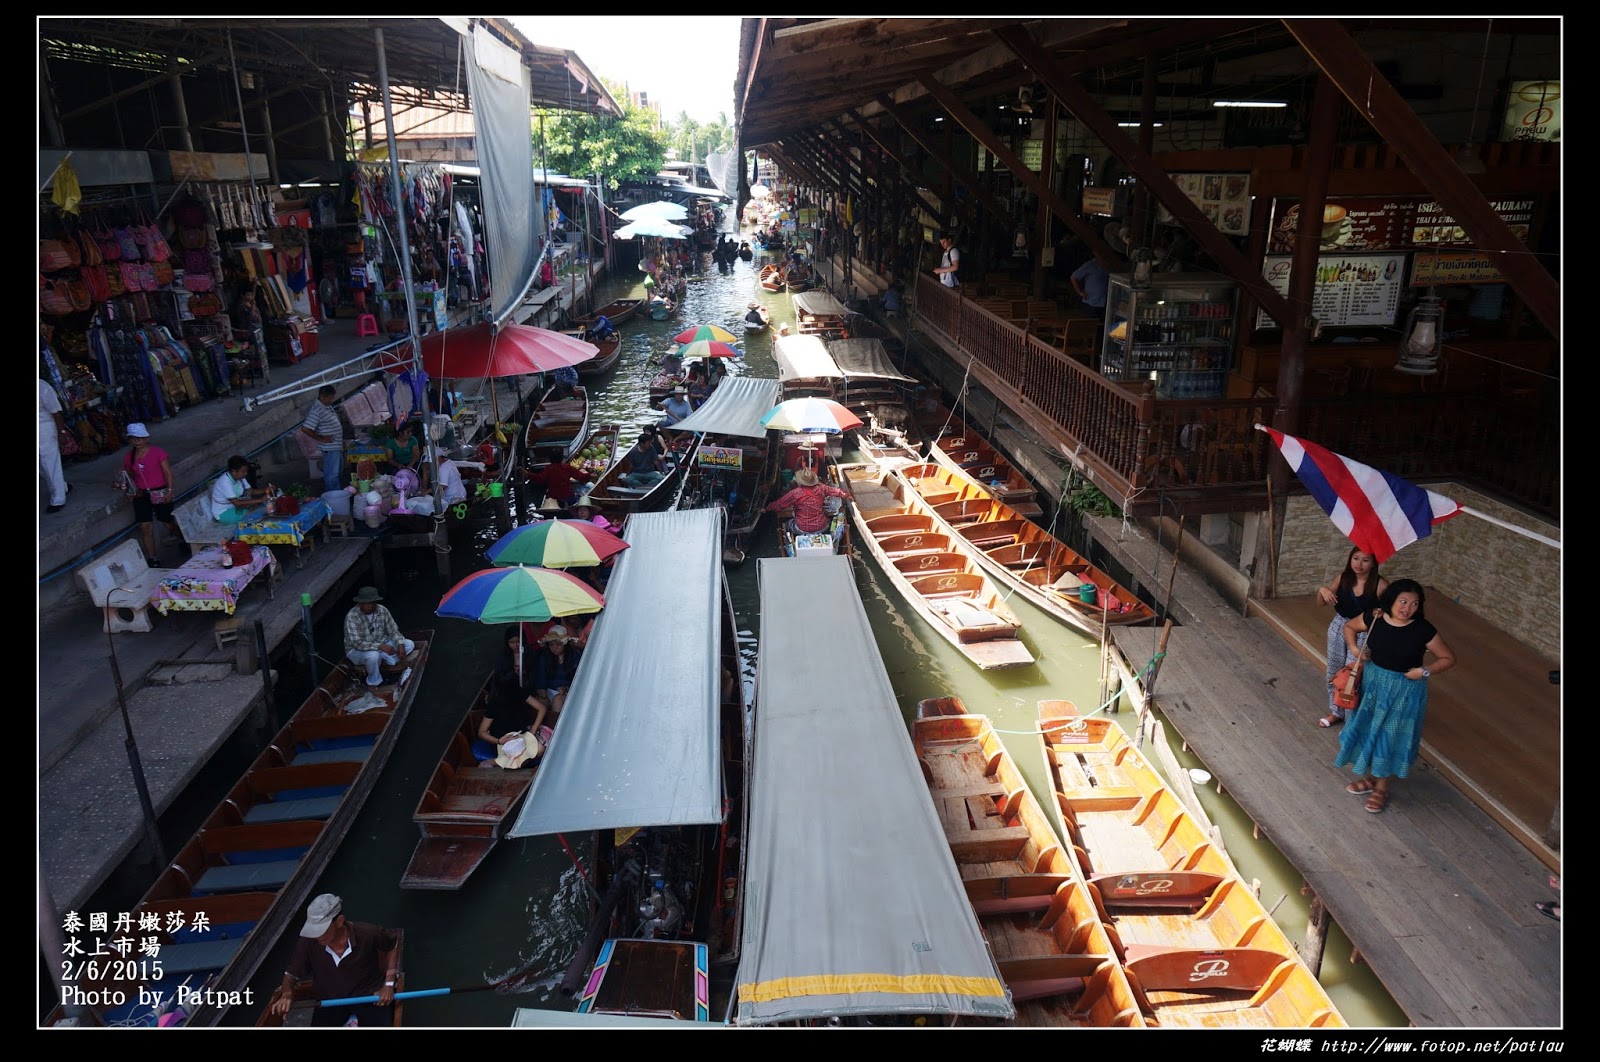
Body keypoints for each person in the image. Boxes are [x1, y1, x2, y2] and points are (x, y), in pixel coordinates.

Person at [1334, 579, 1456, 815]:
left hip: (1404, 690)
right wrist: (1356, 649)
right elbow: (1349, 627)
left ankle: (1381, 787)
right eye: (1403, 601)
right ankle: (1373, 778)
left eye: (1414, 604)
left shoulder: (1423, 629)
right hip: (1373, 684)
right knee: (1370, 729)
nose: (1407, 608)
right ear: (1391, 600)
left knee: (1389, 736)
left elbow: (1448, 658)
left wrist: (1424, 671)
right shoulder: (1375, 617)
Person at [271, 894, 399, 1027]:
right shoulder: (308, 941)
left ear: (339, 921)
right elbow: (291, 974)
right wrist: (287, 993)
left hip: (368, 996)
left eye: (322, 930)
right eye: (314, 930)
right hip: (329, 1001)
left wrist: (388, 983)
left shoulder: (367, 933)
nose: (318, 936)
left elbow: (392, 946)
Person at [1315, 546, 1389, 728]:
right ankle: (1336, 711)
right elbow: (1320, 603)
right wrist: (1323, 590)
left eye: (1365, 560)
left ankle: (1351, 721)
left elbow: (1390, 615)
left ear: (1373, 564)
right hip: (1339, 625)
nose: (1359, 564)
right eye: (1356, 558)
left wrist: (1381, 613)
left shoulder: (1381, 585)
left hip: (1364, 631)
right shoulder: (1343, 579)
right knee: (1334, 670)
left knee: (1354, 676)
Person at [478, 626, 551, 758]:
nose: (515, 645)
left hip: (519, 736)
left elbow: (542, 708)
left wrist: (532, 732)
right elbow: (482, 732)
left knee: (539, 750)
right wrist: (499, 741)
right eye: (512, 642)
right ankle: (494, 761)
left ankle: (498, 761)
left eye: (518, 641)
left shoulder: (519, 692)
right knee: (516, 754)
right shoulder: (496, 702)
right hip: (504, 741)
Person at [121, 423, 181, 565]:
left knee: (167, 522)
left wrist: (169, 491)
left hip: (159, 491)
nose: (137, 441)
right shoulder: (129, 457)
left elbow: (168, 473)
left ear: (146, 438)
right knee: (146, 527)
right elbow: (129, 476)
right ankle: (152, 558)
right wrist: (127, 488)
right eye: (134, 438)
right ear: (130, 440)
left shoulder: (158, 452)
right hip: (141, 495)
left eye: (140, 438)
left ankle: (181, 539)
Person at [343, 586, 416, 688]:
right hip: (357, 650)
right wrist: (380, 646)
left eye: (373, 602)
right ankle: (374, 681)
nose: (371, 606)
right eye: (367, 603)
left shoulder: (382, 610)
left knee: (409, 644)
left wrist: (400, 644)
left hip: (382, 643)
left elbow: (393, 631)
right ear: (360, 603)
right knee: (373, 656)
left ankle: (384, 659)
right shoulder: (352, 616)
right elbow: (357, 643)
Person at [766, 466, 851, 546]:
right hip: (822, 527)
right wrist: (847, 495)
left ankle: (790, 542)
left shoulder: (795, 493)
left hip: (801, 529)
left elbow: (779, 504)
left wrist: (767, 508)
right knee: (828, 521)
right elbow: (837, 491)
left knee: (787, 524)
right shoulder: (821, 488)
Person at [529, 625, 583, 717]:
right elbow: (540, 675)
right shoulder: (545, 657)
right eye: (551, 645)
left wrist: (567, 688)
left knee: (557, 700)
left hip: (568, 693)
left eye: (558, 644)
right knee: (537, 702)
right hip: (549, 691)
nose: (554, 648)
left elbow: (580, 679)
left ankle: (555, 725)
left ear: (564, 644)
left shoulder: (575, 657)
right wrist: (540, 688)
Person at [301, 384, 345, 494]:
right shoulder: (317, 410)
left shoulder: (326, 406)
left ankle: (337, 493)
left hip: (336, 445)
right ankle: (334, 496)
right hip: (330, 447)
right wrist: (320, 438)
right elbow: (305, 428)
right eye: (329, 398)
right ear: (322, 397)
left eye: (332, 398)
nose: (331, 400)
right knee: (332, 474)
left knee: (337, 472)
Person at [209, 454, 272, 521]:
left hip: (234, 507)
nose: (246, 473)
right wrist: (260, 500)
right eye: (243, 471)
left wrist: (266, 489)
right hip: (223, 512)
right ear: (234, 472)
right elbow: (236, 502)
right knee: (255, 514)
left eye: (246, 471)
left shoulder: (240, 477)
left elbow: (251, 491)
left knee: (262, 508)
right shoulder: (225, 482)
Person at [39, 378, 70, 514]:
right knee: (42, 467)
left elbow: (56, 412)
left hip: (44, 429)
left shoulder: (42, 387)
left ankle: (58, 499)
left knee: (50, 463)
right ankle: (62, 486)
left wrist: (61, 432)